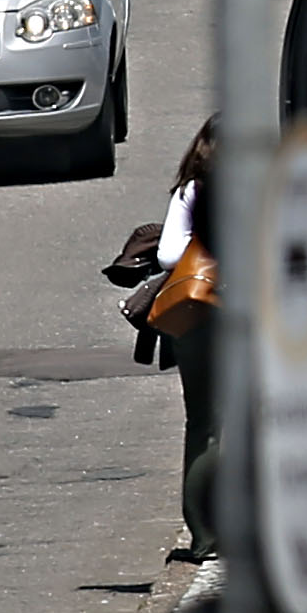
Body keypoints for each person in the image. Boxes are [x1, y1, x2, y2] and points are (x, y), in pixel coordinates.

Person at [107, 120, 224, 558]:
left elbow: (170, 254)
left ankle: (204, 534)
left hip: (198, 312)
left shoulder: (192, 189)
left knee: (203, 423)